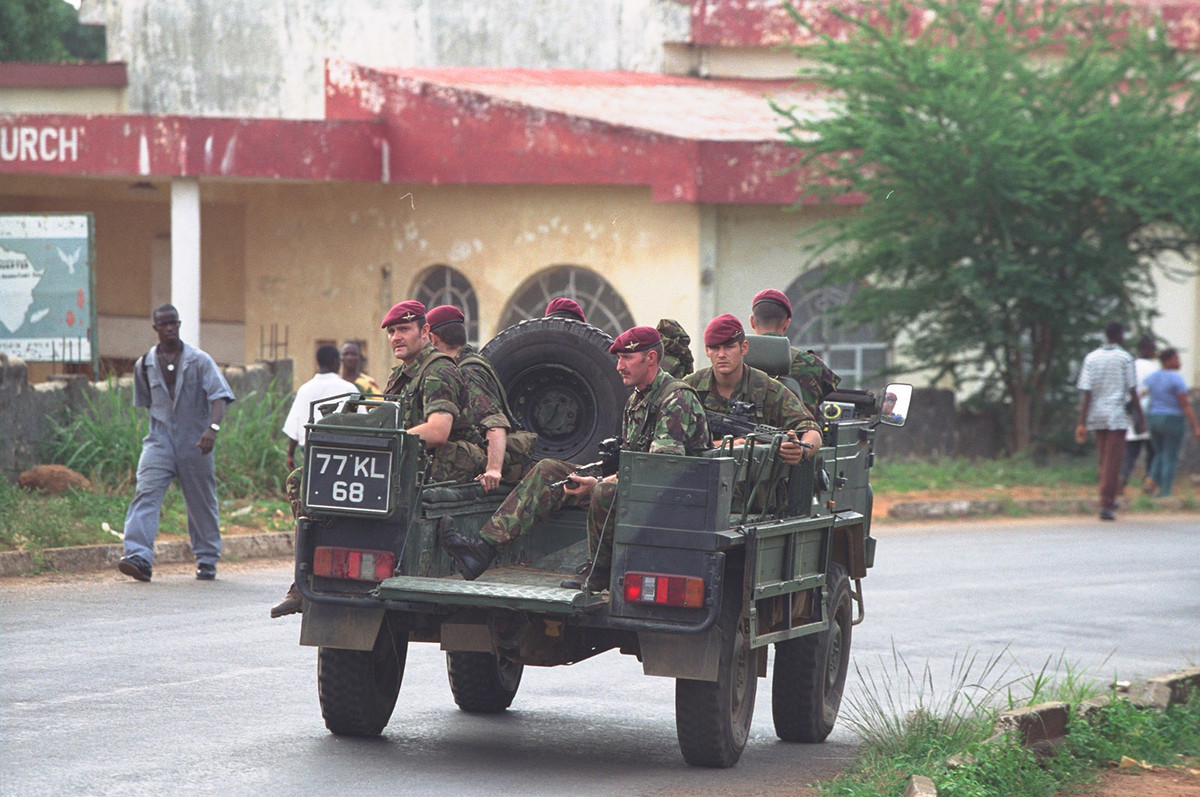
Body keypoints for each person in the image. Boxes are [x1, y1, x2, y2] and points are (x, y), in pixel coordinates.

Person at [441, 325, 709, 592]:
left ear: (650, 358)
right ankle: (482, 551)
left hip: (674, 496)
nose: (618, 367)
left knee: (604, 491)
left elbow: (659, 469)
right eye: (618, 359)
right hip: (640, 487)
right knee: (549, 471)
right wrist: (598, 475)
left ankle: (599, 571)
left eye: (626, 358)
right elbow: (632, 460)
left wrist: (598, 483)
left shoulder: (676, 398)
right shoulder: (638, 399)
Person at [118, 304, 235, 582]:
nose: (169, 328)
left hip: (196, 442)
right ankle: (138, 556)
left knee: (201, 501)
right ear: (155, 328)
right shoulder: (144, 365)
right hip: (158, 441)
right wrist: (163, 435)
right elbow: (148, 404)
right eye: (164, 324)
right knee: (145, 493)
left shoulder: (200, 360)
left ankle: (207, 559)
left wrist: (212, 428)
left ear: (179, 324)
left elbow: (219, 396)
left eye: (174, 323)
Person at [685, 313, 823, 467]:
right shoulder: (690, 387)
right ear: (707, 350)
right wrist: (728, 446)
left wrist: (800, 451)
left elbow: (811, 429)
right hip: (699, 477)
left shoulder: (767, 388)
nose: (722, 354)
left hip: (753, 485)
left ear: (743, 348)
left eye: (729, 347)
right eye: (715, 348)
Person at [425, 304, 536, 488]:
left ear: (433, 339)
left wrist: (493, 469)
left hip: (487, 474)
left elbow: (494, 421)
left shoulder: (467, 373)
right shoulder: (470, 365)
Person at [1075, 321, 1145, 520]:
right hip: (1115, 416)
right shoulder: (1125, 358)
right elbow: (1133, 391)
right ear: (1120, 335)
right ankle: (1105, 503)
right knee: (1113, 461)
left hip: (1096, 415)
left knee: (1104, 459)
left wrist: (1081, 422)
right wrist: (1140, 419)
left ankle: (1109, 496)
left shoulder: (1091, 357)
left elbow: (1086, 393)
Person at [748, 288, 840, 417]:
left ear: (752, 322)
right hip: (803, 436)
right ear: (787, 323)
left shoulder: (736, 362)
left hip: (743, 437)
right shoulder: (811, 364)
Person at [282, 344, 358, 473]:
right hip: (341, 450)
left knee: (313, 486)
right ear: (336, 361)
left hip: (310, 448)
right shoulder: (348, 389)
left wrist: (290, 455)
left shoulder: (304, 389)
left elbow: (294, 425)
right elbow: (361, 421)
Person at [1141, 348, 1200, 497]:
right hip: (1172, 419)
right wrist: (1195, 426)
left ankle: (1151, 480)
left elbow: (1143, 395)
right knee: (1171, 456)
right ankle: (1165, 492)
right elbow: (1185, 405)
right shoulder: (1176, 379)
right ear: (1167, 361)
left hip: (1153, 418)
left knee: (1160, 452)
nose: (1179, 362)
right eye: (1176, 359)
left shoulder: (1152, 377)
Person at [1119, 336, 1157, 491]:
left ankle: (1122, 478)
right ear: (1148, 349)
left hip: (1131, 412)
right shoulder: (1153, 368)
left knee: (1130, 452)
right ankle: (1149, 481)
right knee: (1153, 451)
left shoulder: (1131, 366)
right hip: (1150, 413)